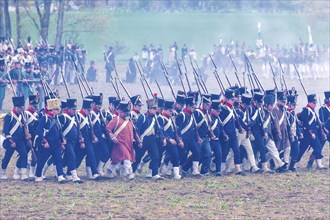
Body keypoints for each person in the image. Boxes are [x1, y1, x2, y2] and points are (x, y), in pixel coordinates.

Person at [35, 98, 66, 182]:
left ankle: (60, 175)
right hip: (47, 143)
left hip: (56, 144)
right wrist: (44, 142)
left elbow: (59, 131)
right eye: (56, 109)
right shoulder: (44, 118)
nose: (58, 110)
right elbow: (39, 132)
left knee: (59, 159)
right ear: (52, 109)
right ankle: (38, 175)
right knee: (42, 160)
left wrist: (62, 141)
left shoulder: (56, 119)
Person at [134, 98, 165, 180]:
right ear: (149, 109)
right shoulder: (143, 117)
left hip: (152, 140)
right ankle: (132, 172)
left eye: (156, 108)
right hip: (144, 139)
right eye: (154, 108)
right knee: (138, 157)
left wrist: (163, 138)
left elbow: (159, 129)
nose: (156, 110)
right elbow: (137, 129)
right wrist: (138, 141)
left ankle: (154, 174)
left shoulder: (155, 118)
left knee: (156, 156)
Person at [1, 96, 28, 180]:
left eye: (22, 108)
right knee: (7, 156)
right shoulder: (9, 116)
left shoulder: (22, 116)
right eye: (20, 108)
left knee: (24, 154)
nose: (21, 109)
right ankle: (2, 172)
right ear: (15, 107)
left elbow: (23, 128)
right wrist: (11, 141)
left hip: (20, 140)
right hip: (11, 140)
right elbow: (6, 131)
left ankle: (23, 173)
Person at [107, 101, 136, 180]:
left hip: (128, 144)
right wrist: (112, 137)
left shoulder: (129, 121)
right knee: (127, 158)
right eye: (125, 112)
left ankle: (109, 170)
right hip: (119, 143)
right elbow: (107, 130)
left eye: (128, 112)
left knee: (117, 160)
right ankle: (128, 173)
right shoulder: (116, 119)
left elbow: (133, 131)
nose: (127, 114)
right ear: (120, 111)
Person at [297, 94, 326, 169]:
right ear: (309, 103)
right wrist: (311, 132)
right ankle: (292, 164)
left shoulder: (312, 111)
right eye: (313, 103)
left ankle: (319, 165)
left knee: (318, 147)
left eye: (315, 103)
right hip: (308, 134)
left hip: (314, 134)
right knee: (301, 150)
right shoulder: (306, 110)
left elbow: (314, 123)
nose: (315, 104)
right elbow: (305, 122)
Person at [57, 98, 83, 183]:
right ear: (68, 109)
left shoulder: (76, 117)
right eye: (73, 109)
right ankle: (75, 177)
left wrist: (80, 137)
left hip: (74, 142)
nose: (74, 111)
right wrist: (61, 140)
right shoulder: (62, 117)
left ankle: (68, 175)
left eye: (75, 109)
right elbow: (57, 129)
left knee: (68, 158)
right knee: (72, 157)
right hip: (66, 141)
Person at [75, 98, 99, 180]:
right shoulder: (78, 116)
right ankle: (70, 172)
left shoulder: (87, 116)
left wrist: (93, 136)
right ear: (84, 109)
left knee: (91, 154)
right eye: (88, 110)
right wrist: (81, 141)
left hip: (88, 139)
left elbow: (90, 128)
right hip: (81, 140)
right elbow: (77, 129)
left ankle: (94, 173)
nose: (90, 112)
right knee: (78, 157)